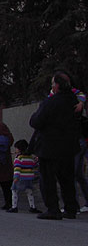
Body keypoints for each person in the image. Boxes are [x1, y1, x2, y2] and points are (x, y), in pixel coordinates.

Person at [30, 71, 80, 219]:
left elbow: (36, 121)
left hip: (49, 147)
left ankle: (53, 209)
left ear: (57, 86)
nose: (52, 86)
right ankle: (71, 208)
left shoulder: (51, 102)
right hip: (69, 147)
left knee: (48, 179)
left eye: (53, 83)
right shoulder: (75, 102)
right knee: (67, 179)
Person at [7, 139, 41, 214]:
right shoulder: (30, 157)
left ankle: (14, 207)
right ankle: (32, 207)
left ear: (19, 149)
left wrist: (16, 177)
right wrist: (37, 160)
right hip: (29, 178)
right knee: (29, 192)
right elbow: (33, 165)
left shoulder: (18, 158)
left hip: (20, 178)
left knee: (14, 191)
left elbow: (17, 168)